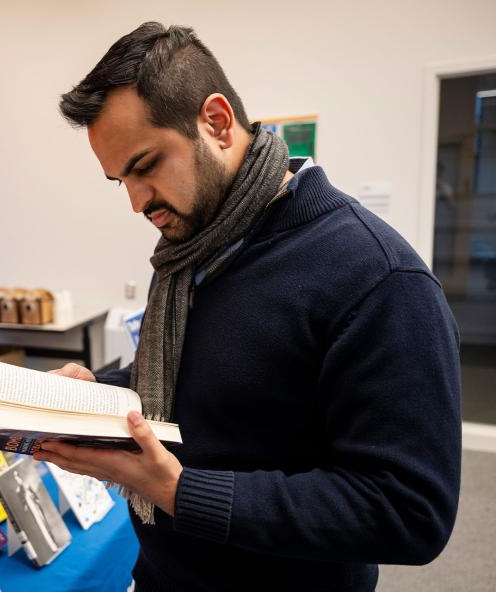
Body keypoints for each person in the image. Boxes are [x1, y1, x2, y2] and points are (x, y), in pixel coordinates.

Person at [34, 22, 462, 591]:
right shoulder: (192, 247)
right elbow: (201, 384)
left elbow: (407, 511)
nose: (136, 203)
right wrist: (98, 391)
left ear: (216, 121)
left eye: (145, 166)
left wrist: (180, 492)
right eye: (120, 182)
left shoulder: (379, 276)